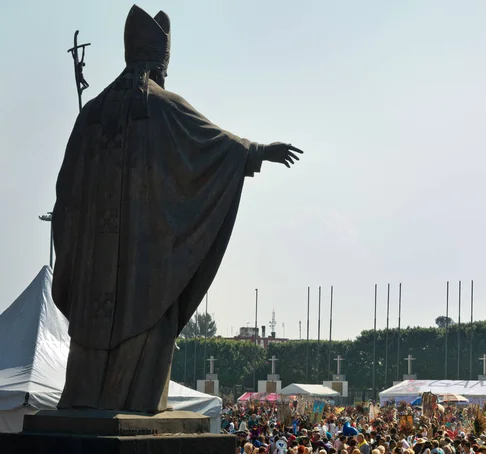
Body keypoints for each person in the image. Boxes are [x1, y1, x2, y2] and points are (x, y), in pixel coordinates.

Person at [52, 4, 303, 412]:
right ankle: (137, 406)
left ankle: (84, 402)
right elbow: (213, 145)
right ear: (159, 65)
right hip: (143, 272)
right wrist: (259, 151)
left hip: (91, 271)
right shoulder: (163, 106)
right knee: (155, 314)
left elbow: (66, 196)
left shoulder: (90, 115)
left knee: (91, 350)